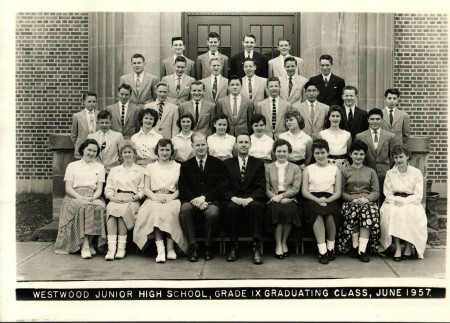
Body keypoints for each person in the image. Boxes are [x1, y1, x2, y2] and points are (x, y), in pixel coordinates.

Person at [133, 139, 188, 263]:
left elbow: (181, 189)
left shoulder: (178, 166)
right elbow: (146, 188)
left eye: (167, 150)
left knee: (169, 211)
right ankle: (161, 249)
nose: (164, 153)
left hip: (172, 197)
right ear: (157, 151)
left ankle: (170, 248)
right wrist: (155, 198)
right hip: (154, 197)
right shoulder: (150, 167)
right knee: (156, 211)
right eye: (162, 150)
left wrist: (170, 197)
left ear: (171, 151)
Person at [54, 139, 107, 258]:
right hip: (74, 196)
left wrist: (93, 197)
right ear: (83, 149)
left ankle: (90, 243)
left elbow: (99, 188)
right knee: (85, 206)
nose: (91, 153)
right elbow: (68, 188)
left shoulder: (99, 167)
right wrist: (81, 197)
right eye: (89, 149)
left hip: (92, 195)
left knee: (98, 206)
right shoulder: (72, 166)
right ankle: (85, 245)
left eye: (94, 151)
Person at [179, 132, 225, 261]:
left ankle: (208, 246)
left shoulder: (217, 163)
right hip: (192, 201)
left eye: (203, 144)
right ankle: (193, 246)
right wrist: (196, 200)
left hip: (210, 201)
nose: (201, 147)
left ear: (207, 145)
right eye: (197, 145)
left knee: (213, 213)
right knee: (185, 210)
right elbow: (183, 188)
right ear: (192, 146)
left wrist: (204, 198)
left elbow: (220, 186)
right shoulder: (186, 165)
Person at [222, 134, 266, 264]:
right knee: (230, 208)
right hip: (234, 199)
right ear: (235, 145)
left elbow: (260, 187)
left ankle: (256, 247)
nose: (243, 144)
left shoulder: (258, 163)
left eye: (246, 142)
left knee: (256, 206)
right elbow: (223, 187)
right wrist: (233, 198)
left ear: (250, 145)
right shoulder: (227, 164)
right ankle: (233, 247)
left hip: (252, 199)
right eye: (240, 142)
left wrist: (250, 198)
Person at [378, 145, 427, 260]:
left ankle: (409, 246)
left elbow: (418, 195)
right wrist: (396, 201)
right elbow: (388, 192)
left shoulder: (416, 173)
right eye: (396, 157)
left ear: (407, 157)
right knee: (392, 213)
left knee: (410, 212)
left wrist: (405, 202)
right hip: (394, 201)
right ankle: (398, 248)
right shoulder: (390, 173)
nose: (398, 160)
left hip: (411, 201)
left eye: (401, 157)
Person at [336, 140, 380, 263]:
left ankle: (362, 249)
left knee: (367, 209)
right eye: (355, 154)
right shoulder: (344, 171)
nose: (358, 157)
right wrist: (353, 199)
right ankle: (355, 246)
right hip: (350, 202)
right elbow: (341, 192)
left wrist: (367, 199)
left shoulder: (371, 171)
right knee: (355, 209)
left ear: (365, 155)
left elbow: (376, 191)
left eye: (361, 154)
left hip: (367, 201)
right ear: (350, 155)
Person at [302, 139, 342, 264]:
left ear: (328, 152)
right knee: (318, 215)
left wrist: (327, 200)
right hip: (312, 199)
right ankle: (322, 251)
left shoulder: (335, 169)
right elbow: (304, 191)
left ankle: (331, 249)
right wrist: (317, 200)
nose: (320, 156)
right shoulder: (308, 169)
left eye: (323, 152)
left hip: (330, 198)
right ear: (313, 154)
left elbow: (338, 192)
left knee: (330, 214)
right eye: (317, 153)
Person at [104, 141, 144, 260]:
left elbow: (142, 190)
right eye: (124, 152)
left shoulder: (140, 170)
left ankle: (121, 248)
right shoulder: (114, 170)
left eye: (129, 152)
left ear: (134, 154)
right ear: (121, 154)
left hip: (132, 200)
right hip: (116, 198)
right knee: (111, 210)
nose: (127, 155)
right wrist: (112, 198)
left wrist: (133, 198)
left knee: (123, 212)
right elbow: (108, 188)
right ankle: (111, 249)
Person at [265, 139, 302, 259]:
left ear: (289, 152)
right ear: (274, 152)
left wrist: (282, 196)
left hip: (290, 198)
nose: (281, 154)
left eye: (284, 151)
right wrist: (277, 198)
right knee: (278, 210)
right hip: (273, 198)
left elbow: (295, 189)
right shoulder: (268, 167)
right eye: (279, 151)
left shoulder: (296, 168)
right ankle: (278, 244)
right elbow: (266, 188)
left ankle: (284, 241)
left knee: (289, 210)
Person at [356, 108, 395, 200]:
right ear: (368, 120)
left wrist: (388, 170)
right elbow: (357, 156)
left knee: (384, 198)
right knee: (368, 198)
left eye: (377, 119)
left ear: (381, 120)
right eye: (372, 119)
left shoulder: (390, 136)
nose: (375, 121)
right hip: (367, 173)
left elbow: (392, 157)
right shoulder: (360, 136)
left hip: (385, 173)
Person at [87, 110, 124, 174]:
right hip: (95, 171)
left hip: (113, 171)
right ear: (97, 122)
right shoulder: (91, 137)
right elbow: (88, 156)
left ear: (111, 123)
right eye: (102, 122)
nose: (104, 125)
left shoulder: (118, 136)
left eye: (107, 123)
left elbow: (122, 155)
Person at [71, 92, 99, 159]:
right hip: (82, 150)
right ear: (83, 102)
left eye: (94, 101)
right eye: (89, 101)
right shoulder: (77, 116)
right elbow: (74, 135)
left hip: (97, 150)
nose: (91, 104)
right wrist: (78, 146)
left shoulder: (99, 115)